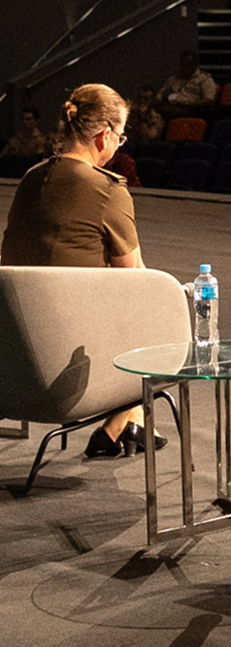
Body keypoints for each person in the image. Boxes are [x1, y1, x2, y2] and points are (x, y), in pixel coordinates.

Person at [1, 83, 162, 459]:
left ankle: (125, 421)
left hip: (13, 364)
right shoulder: (107, 190)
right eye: (121, 138)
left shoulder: (29, 179)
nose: (119, 146)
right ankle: (127, 418)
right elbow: (137, 282)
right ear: (105, 136)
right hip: (69, 371)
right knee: (154, 311)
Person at [158, 51, 217, 115]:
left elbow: (209, 102)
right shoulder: (174, 79)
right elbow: (161, 93)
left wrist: (184, 102)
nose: (184, 68)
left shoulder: (204, 79)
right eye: (182, 65)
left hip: (191, 109)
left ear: (195, 65)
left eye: (188, 65)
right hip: (169, 105)